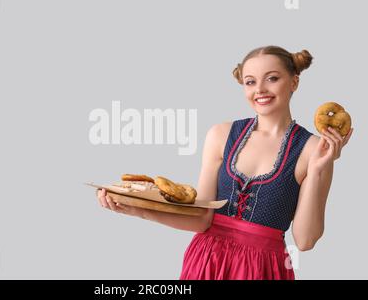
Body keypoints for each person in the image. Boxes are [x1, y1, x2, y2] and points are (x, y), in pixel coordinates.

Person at [96, 45, 353, 280]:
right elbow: (202, 219)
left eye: (272, 78)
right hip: (206, 260)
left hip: (262, 269)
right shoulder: (221, 135)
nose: (259, 90)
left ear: (294, 82)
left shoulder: (312, 150)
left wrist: (320, 169)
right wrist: (136, 209)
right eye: (250, 82)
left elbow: (305, 240)